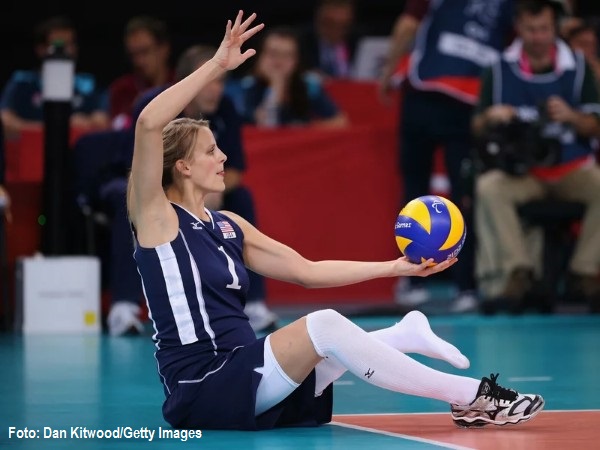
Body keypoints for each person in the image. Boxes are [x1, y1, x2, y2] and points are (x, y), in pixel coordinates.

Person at [127, 10, 544, 431]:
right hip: (204, 385)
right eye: (209, 151)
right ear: (182, 166)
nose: (223, 156)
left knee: (326, 338)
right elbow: (148, 124)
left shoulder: (228, 224)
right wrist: (218, 64)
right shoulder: (157, 218)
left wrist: (396, 268)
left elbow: (307, 272)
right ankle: (474, 395)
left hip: (248, 374)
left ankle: (403, 336)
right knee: (323, 326)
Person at [105, 44, 277, 335]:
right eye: (210, 81)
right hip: (151, 189)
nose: (216, 90)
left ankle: (254, 304)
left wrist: (210, 189)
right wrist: (184, 193)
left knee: (242, 197)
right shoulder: (155, 104)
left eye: (221, 82)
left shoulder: (225, 108)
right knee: (125, 201)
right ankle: (123, 307)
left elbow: (235, 168)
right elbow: (137, 170)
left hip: (197, 189)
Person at [378, 0, 516, 313]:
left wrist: (387, 73)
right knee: (464, 195)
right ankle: (466, 287)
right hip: (467, 102)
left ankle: (413, 281)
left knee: (415, 190)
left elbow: (408, 25)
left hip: (428, 95)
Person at [471, 0, 600, 314]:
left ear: (554, 28)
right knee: (489, 187)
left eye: (544, 29)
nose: (538, 36)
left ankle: (585, 272)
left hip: (571, 167)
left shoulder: (578, 66)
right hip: (522, 172)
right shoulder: (499, 68)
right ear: (518, 28)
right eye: (531, 30)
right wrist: (491, 116)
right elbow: (475, 126)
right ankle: (516, 273)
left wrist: (571, 116)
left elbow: (595, 124)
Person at [0, 15, 110, 139]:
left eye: (71, 44)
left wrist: (84, 123)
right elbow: (6, 122)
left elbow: (102, 123)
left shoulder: (89, 84)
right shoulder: (21, 81)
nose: (66, 51)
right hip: (31, 148)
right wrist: (58, 128)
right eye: (59, 45)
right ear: (41, 49)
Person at [230, 25, 348, 128]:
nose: (279, 62)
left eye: (286, 55)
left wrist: (305, 129)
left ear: (296, 61)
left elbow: (339, 121)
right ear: (259, 57)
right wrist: (276, 88)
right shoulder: (245, 88)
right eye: (273, 54)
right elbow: (265, 125)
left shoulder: (309, 87)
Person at [108, 15, 175, 130]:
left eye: (145, 51)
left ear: (164, 49)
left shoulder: (182, 82)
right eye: (133, 54)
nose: (138, 61)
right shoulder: (121, 90)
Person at [297, 0, 363, 79]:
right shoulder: (300, 42)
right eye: (331, 24)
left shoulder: (359, 43)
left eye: (343, 26)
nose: (336, 30)